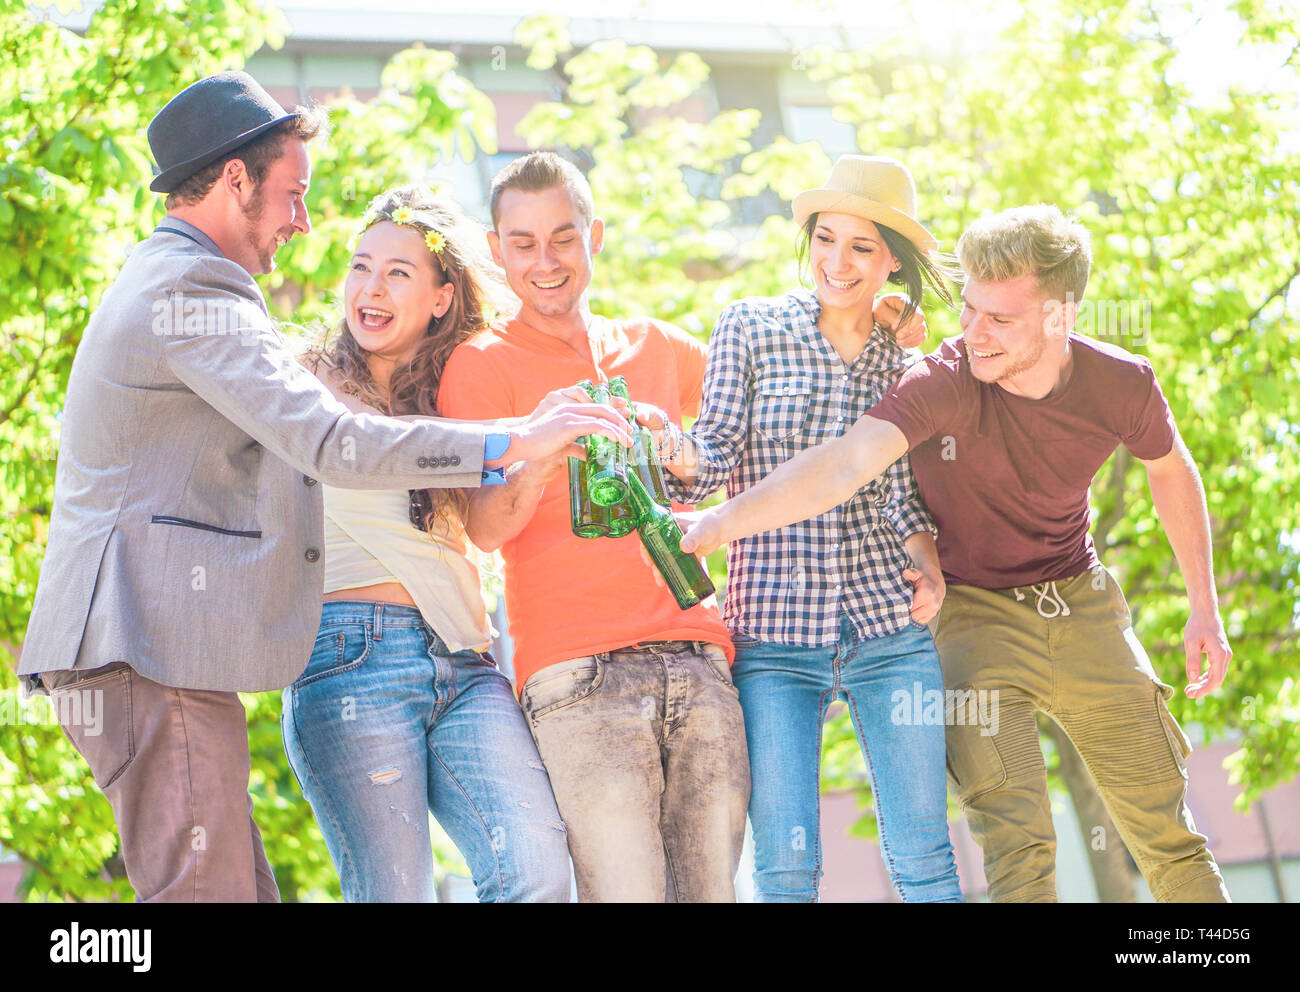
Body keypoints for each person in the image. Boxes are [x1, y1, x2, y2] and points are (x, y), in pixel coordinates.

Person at [17, 73, 628, 903]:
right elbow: (332, 442)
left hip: (159, 649)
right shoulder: (192, 290)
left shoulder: (174, 279)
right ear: (236, 180)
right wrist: (516, 438)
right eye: (293, 195)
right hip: (140, 638)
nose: (302, 221)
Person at [681, 204, 1232, 903]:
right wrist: (716, 523)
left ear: (1060, 319)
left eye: (999, 319)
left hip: (1081, 600)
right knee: (1017, 843)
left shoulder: (1121, 382)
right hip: (972, 614)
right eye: (969, 309)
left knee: (1167, 832)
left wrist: (1203, 610)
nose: (973, 333)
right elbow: (846, 464)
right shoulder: (941, 380)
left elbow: (1170, 467)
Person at [646, 155, 962, 901]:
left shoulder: (906, 358)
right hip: (774, 639)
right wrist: (675, 451)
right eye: (825, 238)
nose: (837, 262)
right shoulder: (750, 326)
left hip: (888, 628)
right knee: (786, 869)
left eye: (861, 247)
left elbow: (905, 493)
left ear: (892, 259)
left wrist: (929, 562)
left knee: (924, 857)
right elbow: (716, 453)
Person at [281, 186, 571, 902]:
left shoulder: (458, 395)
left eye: (398, 273)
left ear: (443, 297)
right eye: (360, 267)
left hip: (463, 660)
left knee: (535, 871)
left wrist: (539, 458)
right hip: (350, 656)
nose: (370, 288)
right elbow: (361, 449)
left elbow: (485, 529)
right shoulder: (304, 380)